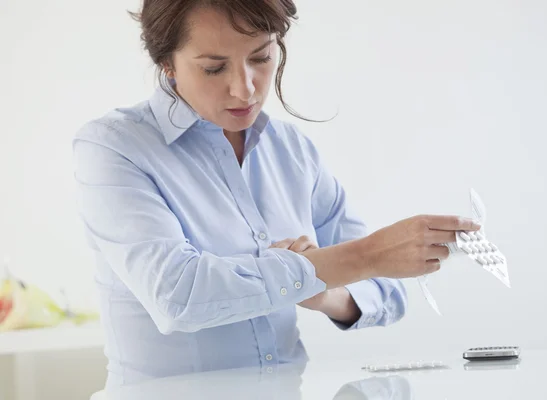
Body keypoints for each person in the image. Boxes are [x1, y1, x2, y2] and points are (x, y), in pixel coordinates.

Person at [73, 0, 481, 389]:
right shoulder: (113, 147)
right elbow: (180, 296)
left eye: (261, 58)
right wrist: (348, 260)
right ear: (168, 64)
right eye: (214, 69)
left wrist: (325, 290)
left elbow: (387, 292)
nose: (245, 88)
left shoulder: (292, 150)